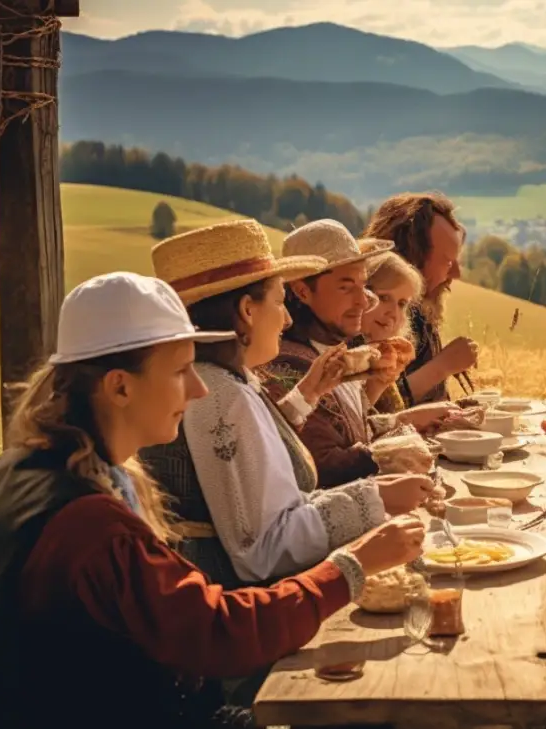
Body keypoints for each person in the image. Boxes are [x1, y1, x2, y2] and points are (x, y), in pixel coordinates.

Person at [0, 272, 427, 728]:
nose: (198, 389)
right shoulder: (91, 526)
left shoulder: (19, 470)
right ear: (119, 387)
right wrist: (349, 568)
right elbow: (217, 631)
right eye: (180, 371)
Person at [140, 219, 434, 590]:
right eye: (280, 301)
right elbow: (262, 551)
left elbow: (267, 471)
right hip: (232, 597)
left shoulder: (227, 378)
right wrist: (373, 499)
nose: (288, 317)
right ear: (248, 310)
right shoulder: (218, 395)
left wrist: (306, 398)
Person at [260, 219, 453, 488]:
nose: (363, 300)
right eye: (345, 286)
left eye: (363, 285)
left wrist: (405, 420)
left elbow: (350, 432)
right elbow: (322, 468)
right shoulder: (287, 368)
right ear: (303, 291)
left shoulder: (332, 349)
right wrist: (393, 451)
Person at [363, 192, 479, 406]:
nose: (456, 274)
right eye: (447, 262)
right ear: (413, 256)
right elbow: (376, 408)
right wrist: (443, 366)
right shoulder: (371, 315)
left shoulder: (421, 310)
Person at [364, 252, 425, 414]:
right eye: (384, 298)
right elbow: (350, 429)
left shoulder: (382, 356)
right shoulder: (341, 356)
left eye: (401, 304)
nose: (393, 313)